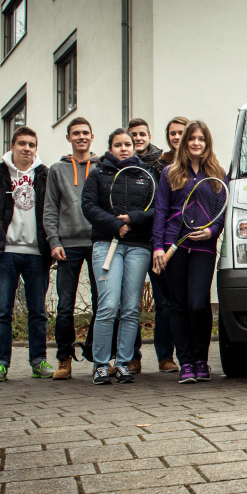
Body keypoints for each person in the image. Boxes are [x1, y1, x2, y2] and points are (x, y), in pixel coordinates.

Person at [0, 126, 54, 381]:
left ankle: (38, 362)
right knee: (2, 311)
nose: (27, 148)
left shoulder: (45, 176)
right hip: (5, 252)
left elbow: (54, 213)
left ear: (36, 149)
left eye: (31, 144)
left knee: (38, 311)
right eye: (22, 143)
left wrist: (53, 246)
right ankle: (0, 364)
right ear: (12, 146)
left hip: (37, 254)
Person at [151, 120, 226, 383]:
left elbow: (221, 211)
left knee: (198, 305)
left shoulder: (217, 173)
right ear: (185, 142)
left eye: (201, 139)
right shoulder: (169, 173)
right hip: (175, 246)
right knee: (178, 305)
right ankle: (186, 363)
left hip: (204, 247)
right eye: (192, 138)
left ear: (207, 143)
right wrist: (157, 247)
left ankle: (201, 360)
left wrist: (212, 232)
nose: (196, 143)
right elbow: (161, 211)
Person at [81, 129, 155, 385]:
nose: (124, 148)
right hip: (106, 244)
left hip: (138, 247)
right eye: (118, 145)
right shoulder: (98, 174)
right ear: (110, 148)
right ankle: (101, 365)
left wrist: (133, 219)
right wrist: (115, 225)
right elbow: (89, 207)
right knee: (109, 306)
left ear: (134, 147)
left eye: (128, 144)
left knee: (131, 308)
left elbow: (157, 209)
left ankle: (123, 363)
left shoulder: (146, 174)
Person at [44, 117, 99, 380]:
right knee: (65, 306)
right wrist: (54, 242)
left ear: (92, 136)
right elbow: (50, 209)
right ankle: (64, 358)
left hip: (98, 243)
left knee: (103, 304)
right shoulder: (57, 170)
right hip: (68, 245)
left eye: (85, 133)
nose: (81, 137)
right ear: (68, 138)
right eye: (76, 133)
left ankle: (100, 357)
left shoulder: (102, 167)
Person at [127, 117, 174, 372]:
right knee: (130, 302)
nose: (138, 138)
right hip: (132, 241)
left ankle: (166, 357)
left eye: (142, 134)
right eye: (133, 134)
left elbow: (164, 205)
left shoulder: (162, 164)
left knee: (163, 302)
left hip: (158, 242)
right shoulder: (123, 164)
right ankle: (132, 357)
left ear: (149, 136)